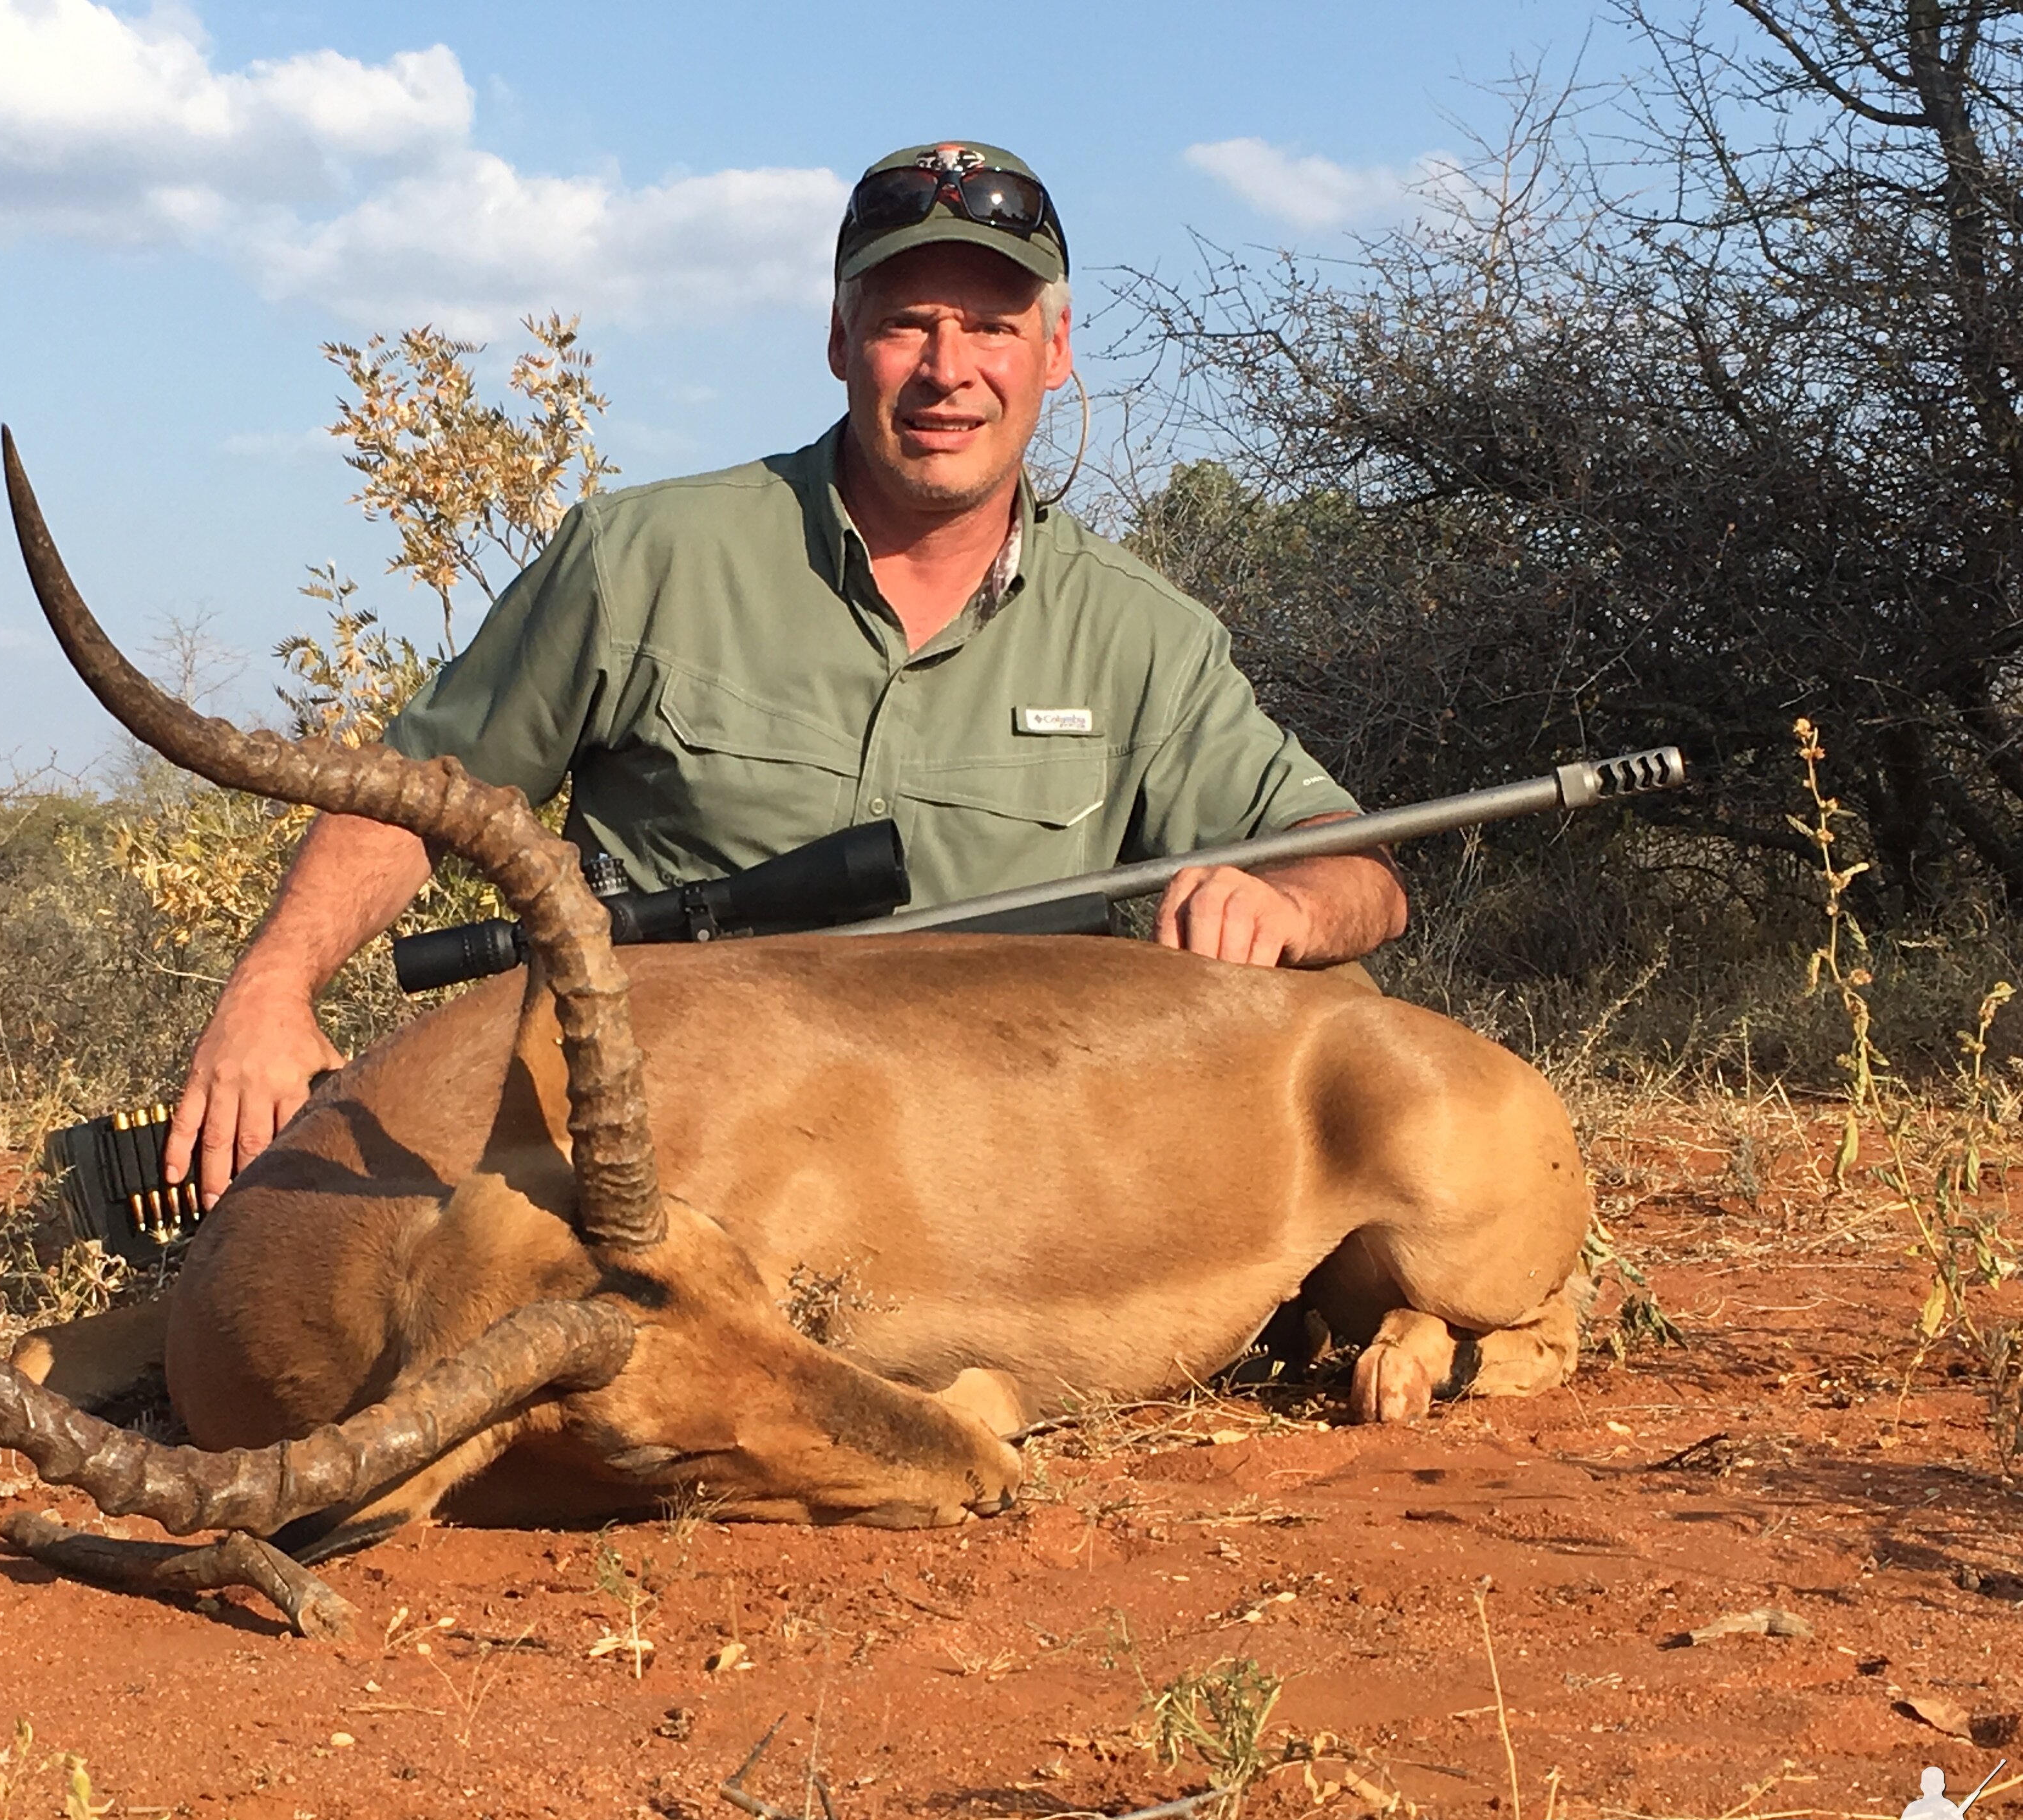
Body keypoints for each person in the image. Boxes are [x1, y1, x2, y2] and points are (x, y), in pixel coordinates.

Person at [164, 140, 1405, 1202]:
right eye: (906, 323)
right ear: (837, 338)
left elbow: (1358, 865)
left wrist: (1289, 901)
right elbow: (418, 790)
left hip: (991, 1166)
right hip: (671, 1138)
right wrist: (270, 991)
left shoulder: (1146, 637)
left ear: (1056, 348)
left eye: (989, 326)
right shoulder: (642, 556)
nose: (946, 368)